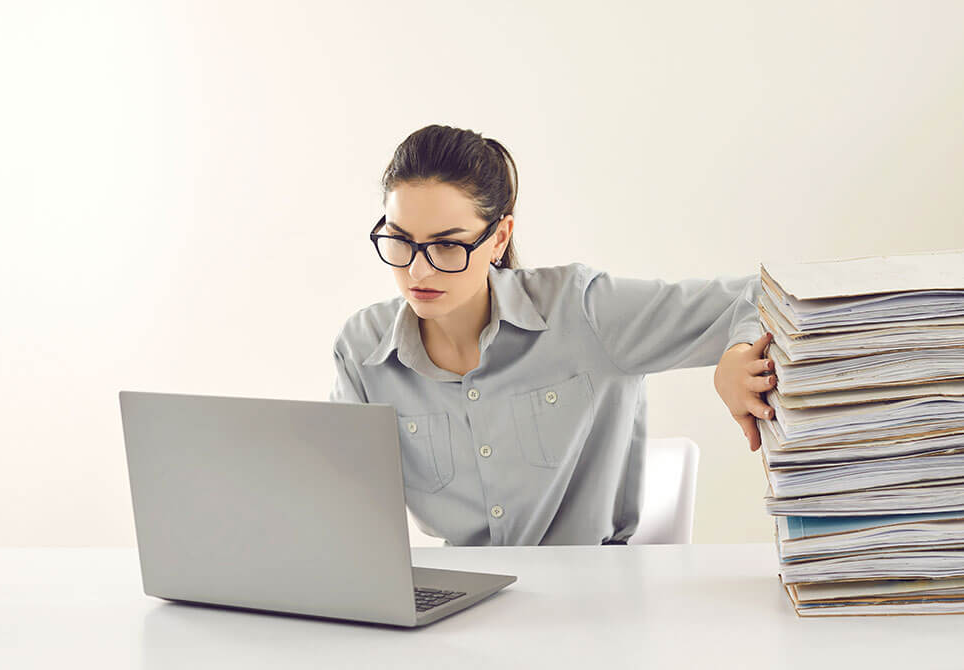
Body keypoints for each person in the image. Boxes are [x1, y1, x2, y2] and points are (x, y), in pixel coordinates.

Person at [329, 124, 777, 546]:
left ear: (499, 238)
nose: (417, 269)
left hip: (592, 599)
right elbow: (339, 508)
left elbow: (765, 293)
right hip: (459, 602)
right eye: (400, 241)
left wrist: (737, 350)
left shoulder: (585, 312)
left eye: (448, 244)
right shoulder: (362, 351)